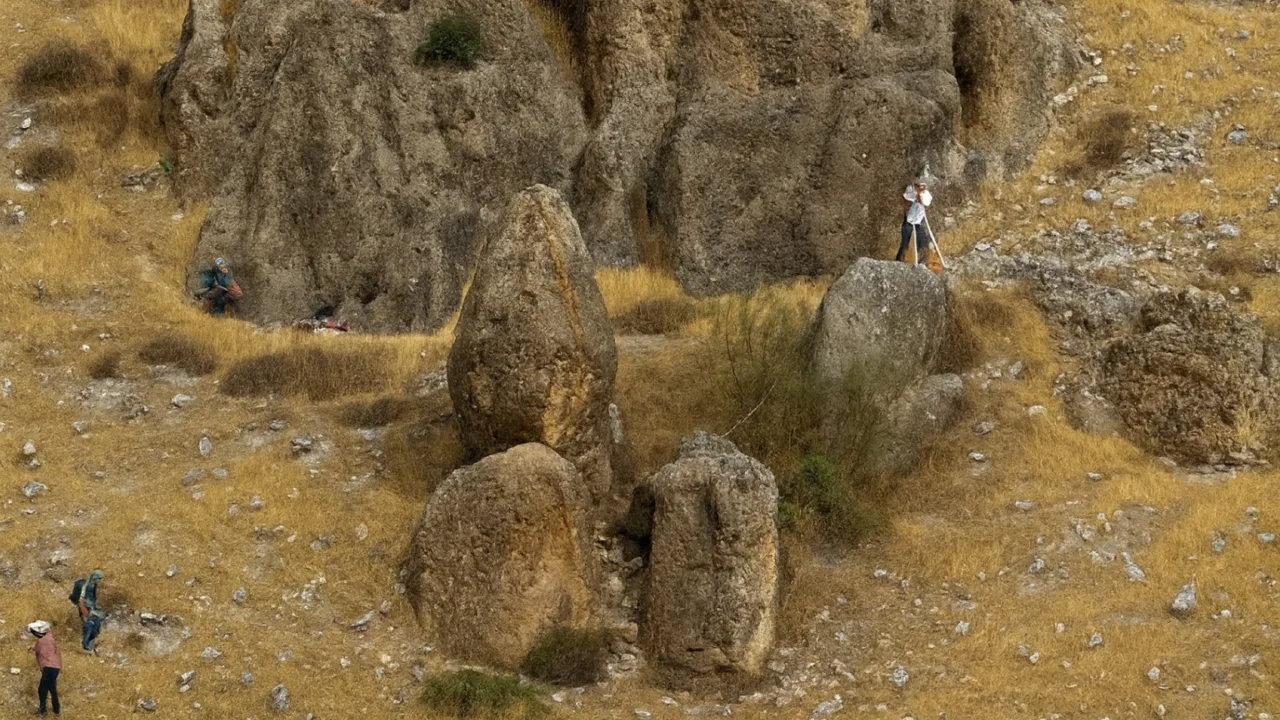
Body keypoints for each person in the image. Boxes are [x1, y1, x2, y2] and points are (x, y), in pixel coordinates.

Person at [896, 178, 935, 264]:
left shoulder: (926, 194)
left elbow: (925, 203)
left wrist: (919, 197)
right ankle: (899, 261)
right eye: (917, 186)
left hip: (920, 220)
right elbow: (906, 201)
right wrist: (914, 197)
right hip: (909, 220)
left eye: (922, 186)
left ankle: (922, 262)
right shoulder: (910, 189)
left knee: (922, 242)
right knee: (904, 243)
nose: (919, 188)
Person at [28, 620, 61, 716]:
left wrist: (33, 648)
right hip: (56, 667)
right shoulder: (50, 637)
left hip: (48, 667)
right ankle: (56, 710)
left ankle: (42, 710)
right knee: (52, 688)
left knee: (42, 689)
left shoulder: (41, 641)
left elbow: (38, 649)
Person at [68, 570, 105, 652]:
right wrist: (84, 611)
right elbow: (81, 600)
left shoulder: (93, 585)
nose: (100, 581)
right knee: (89, 625)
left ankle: (90, 644)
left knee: (96, 624)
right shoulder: (85, 586)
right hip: (85, 607)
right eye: (99, 579)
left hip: (91, 607)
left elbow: (93, 597)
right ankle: (86, 645)